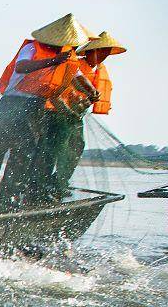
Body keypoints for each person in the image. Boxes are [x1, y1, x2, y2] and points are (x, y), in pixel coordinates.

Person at [0, 13, 92, 211]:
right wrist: (52, 61)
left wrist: (91, 90)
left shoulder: (67, 57)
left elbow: (78, 77)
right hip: (12, 104)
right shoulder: (32, 48)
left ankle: (7, 200)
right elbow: (21, 67)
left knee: (24, 153)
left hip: (35, 107)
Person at [36, 31, 126, 201]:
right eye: (101, 52)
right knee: (54, 149)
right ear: (90, 51)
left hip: (76, 116)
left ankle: (59, 184)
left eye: (106, 53)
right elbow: (59, 92)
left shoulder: (99, 72)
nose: (103, 56)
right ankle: (42, 186)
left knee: (77, 147)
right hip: (57, 113)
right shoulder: (77, 66)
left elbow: (89, 97)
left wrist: (86, 103)